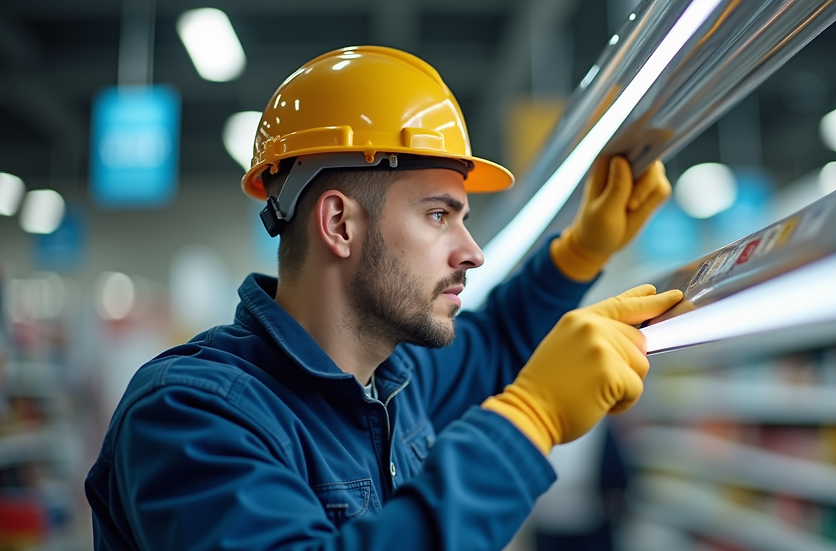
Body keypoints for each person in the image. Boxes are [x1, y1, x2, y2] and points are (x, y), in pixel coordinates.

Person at [84, 46, 682, 551]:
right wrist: (530, 421)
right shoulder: (191, 416)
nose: (473, 252)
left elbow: (496, 341)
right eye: (439, 215)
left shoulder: (395, 377)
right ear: (340, 225)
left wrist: (577, 253)